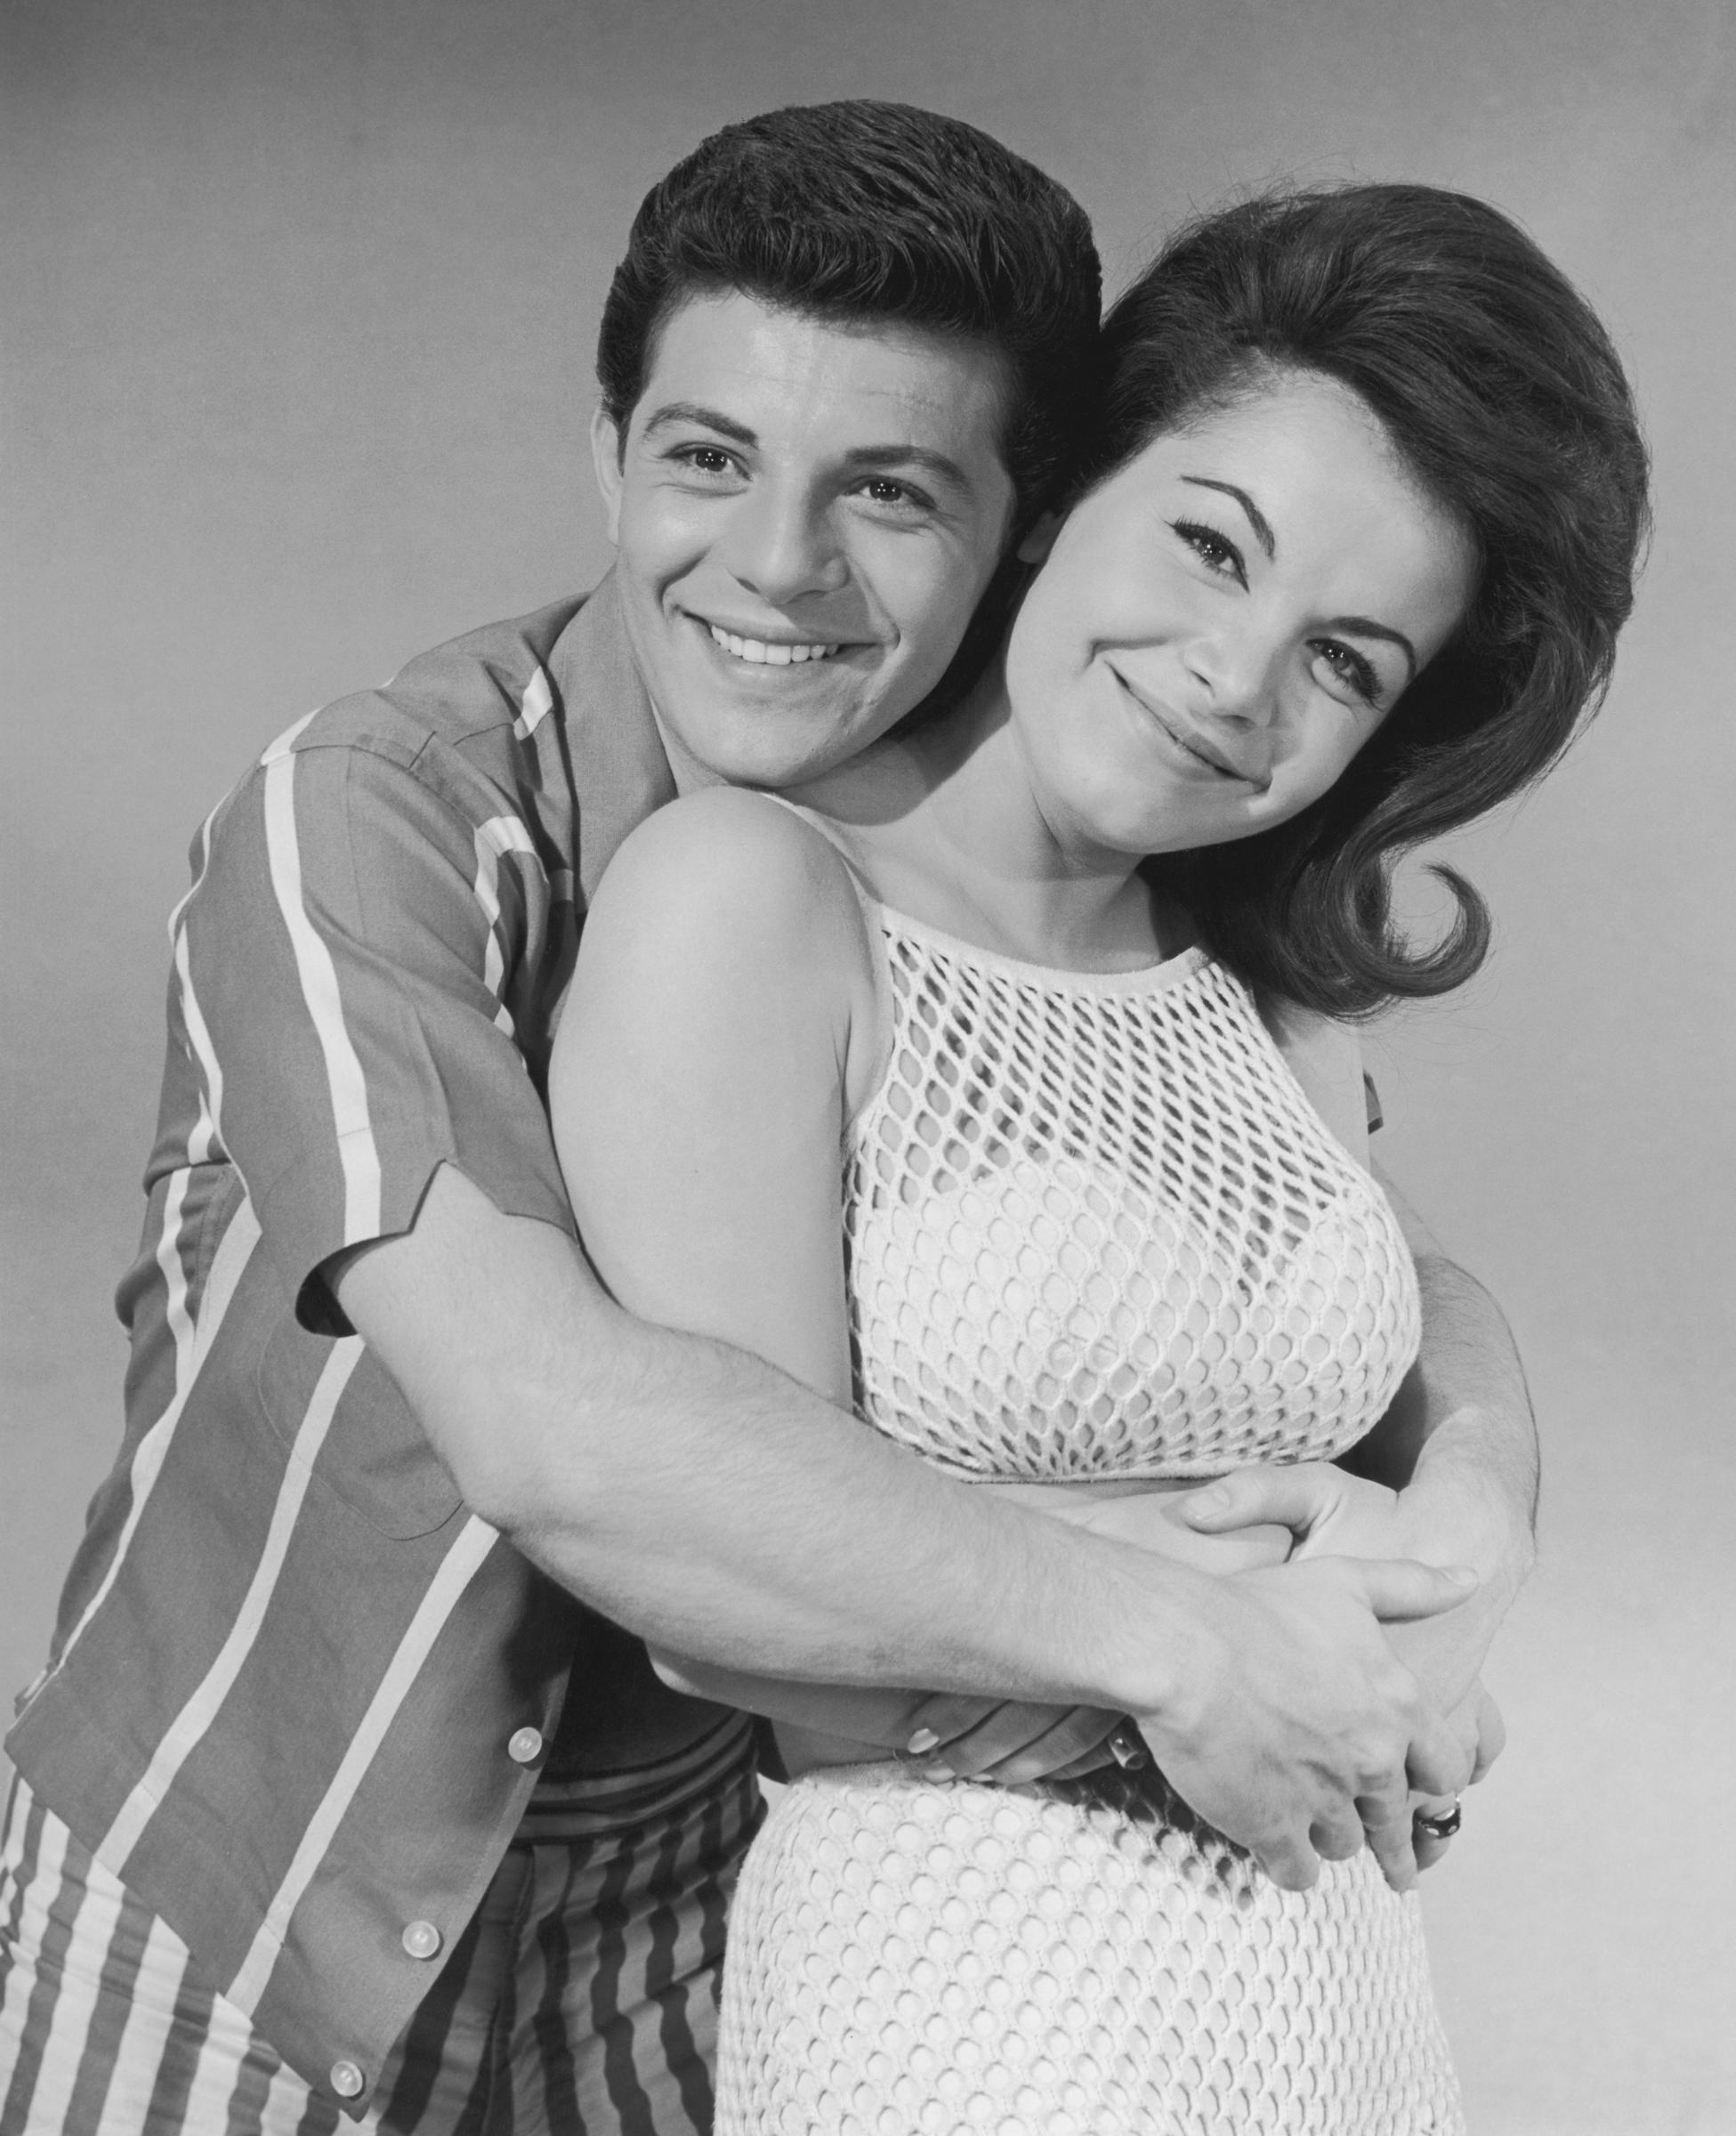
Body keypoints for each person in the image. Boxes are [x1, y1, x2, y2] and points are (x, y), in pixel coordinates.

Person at [0, 108, 1533, 2136]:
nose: (777, 568)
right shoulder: (372, 824)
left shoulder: (1022, 875)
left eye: (889, 491)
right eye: (707, 459)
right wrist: (1197, 1635)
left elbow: (1370, 1262)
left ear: (1019, 518)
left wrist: (1472, 1517)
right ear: (607, 455)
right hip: (252, 1914)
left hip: (691, 1922)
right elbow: (576, 1443)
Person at [549, 182, 1649, 2133]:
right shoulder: (752, 903)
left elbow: (1416, 1316)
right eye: (1208, 547)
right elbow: (726, 1591)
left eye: (1346, 660)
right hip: (975, 2002)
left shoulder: (1254, 988)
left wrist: (1469, 1535)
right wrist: (1247, 1653)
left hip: (1340, 2003)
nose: (1235, 675)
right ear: (1062, 493)